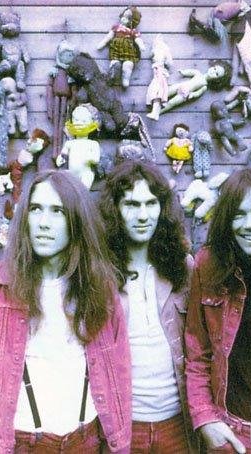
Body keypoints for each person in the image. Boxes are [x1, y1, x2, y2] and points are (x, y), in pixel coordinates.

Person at [0, 170, 131, 453]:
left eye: (57, 211)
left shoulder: (100, 289)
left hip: (85, 441)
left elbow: (119, 375)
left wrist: (120, 443)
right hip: (21, 443)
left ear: (76, 220)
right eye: (36, 209)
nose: (43, 223)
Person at [185, 168, 251, 454]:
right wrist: (205, 419)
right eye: (238, 214)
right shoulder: (209, 265)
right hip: (232, 433)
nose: (250, 224)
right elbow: (197, 352)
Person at [99, 160, 196, 453]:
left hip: (177, 423)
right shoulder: (99, 272)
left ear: (162, 208)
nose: (143, 215)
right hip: (122, 426)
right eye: (131, 204)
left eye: (151, 203)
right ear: (115, 210)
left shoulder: (183, 267)